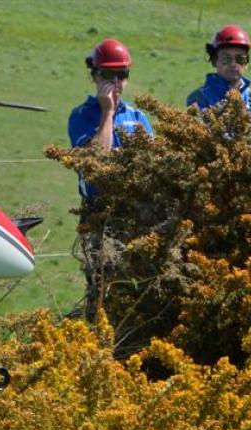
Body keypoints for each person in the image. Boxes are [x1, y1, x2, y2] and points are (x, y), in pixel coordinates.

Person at [67, 39, 154, 320]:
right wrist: (108, 113)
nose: (115, 82)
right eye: (107, 75)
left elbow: (156, 165)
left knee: (140, 289)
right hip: (99, 216)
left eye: (122, 75)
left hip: (138, 213)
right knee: (102, 290)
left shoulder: (139, 117)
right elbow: (96, 162)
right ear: (94, 75)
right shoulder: (81, 116)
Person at [187, 25, 251, 112]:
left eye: (240, 59)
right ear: (214, 61)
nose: (233, 64)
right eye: (226, 58)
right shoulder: (199, 98)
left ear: (246, 63)